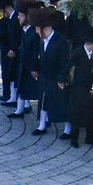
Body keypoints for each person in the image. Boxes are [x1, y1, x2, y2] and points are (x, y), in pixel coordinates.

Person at [68, 26, 93, 148]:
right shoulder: (78, 52)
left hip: (90, 89)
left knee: (90, 114)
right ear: (91, 43)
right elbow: (67, 66)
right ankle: (74, 138)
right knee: (77, 113)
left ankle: (89, 137)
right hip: (78, 88)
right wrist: (62, 79)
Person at [31, 8, 70, 137]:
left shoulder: (61, 41)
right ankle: (42, 126)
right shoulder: (42, 40)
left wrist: (61, 79)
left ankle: (67, 130)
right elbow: (40, 57)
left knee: (62, 104)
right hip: (45, 77)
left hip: (57, 78)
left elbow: (65, 63)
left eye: (38, 28)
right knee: (43, 101)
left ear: (46, 28)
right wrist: (36, 69)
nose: (36, 31)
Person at [0, 0, 21, 106]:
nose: (0, 13)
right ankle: (12, 98)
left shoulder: (15, 18)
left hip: (13, 52)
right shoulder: (14, 17)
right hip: (11, 51)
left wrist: (13, 49)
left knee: (12, 75)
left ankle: (14, 99)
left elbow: (17, 37)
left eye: (0, 10)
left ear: (4, 8)